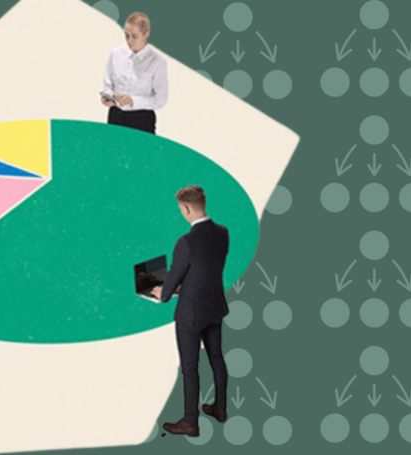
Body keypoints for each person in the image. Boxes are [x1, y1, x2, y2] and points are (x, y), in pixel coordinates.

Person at [150, 186, 229, 437]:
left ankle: (190, 422)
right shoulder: (223, 233)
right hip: (214, 306)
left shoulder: (185, 242)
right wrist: (187, 282)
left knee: (189, 367)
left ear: (185, 209)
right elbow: (208, 267)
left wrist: (162, 293)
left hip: (191, 313)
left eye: (180, 210)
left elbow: (173, 278)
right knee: (216, 357)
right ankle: (220, 408)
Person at [100, 12, 168, 134]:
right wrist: (108, 97)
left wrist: (133, 101)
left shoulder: (157, 62)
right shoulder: (116, 54)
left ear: (146, 34)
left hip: (141, 120)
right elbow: (108, 85)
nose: (129, 40)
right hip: (116, 116)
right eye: (126, 35)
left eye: (134, 36)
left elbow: (160, 99)